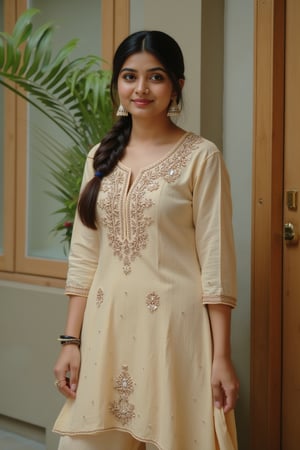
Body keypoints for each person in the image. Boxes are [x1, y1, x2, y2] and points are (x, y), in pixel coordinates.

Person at [53, 30, 239, 450]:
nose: (140, 88)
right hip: (106, 333)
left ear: (177, 86)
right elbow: (84, 256)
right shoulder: (100, 156)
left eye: (155, 77)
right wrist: (70, 342)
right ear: (117, 85)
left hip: (175, 333)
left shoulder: (201, 157)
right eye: (129, 76)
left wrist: (221, 356)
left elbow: (216, 262)